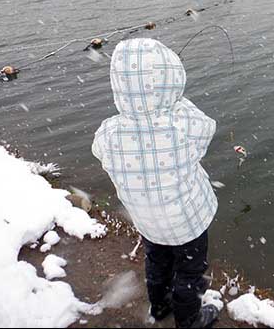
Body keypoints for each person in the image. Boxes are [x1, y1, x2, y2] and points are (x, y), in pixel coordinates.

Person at [92, 38, 219, 328]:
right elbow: (207, 131)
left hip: (146, 218)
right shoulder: (182, 121)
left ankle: (159, 307)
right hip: (187, 220)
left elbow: (99, 152)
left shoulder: (110, 131)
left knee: (157, 260)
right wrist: (177, 104)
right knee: (190, 271)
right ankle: (190, 321)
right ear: (172, 78)